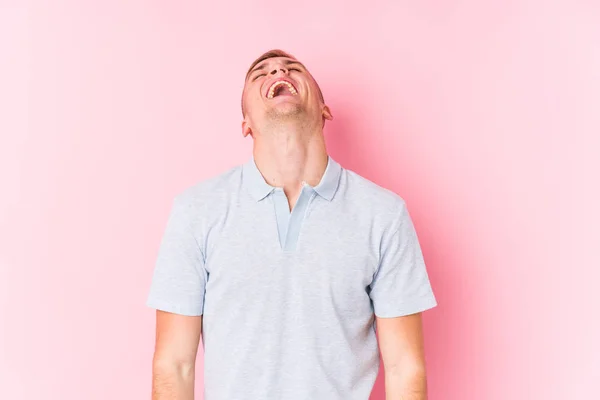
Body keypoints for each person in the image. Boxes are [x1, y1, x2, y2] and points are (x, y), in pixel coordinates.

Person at [146, 49, 437, 400]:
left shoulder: (384, 215)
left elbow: (404, 368)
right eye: (259, 74)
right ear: (246, 124)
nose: (278, 70)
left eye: (293, 68)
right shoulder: (196, 211)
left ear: (325, 110)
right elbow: (174, 365)